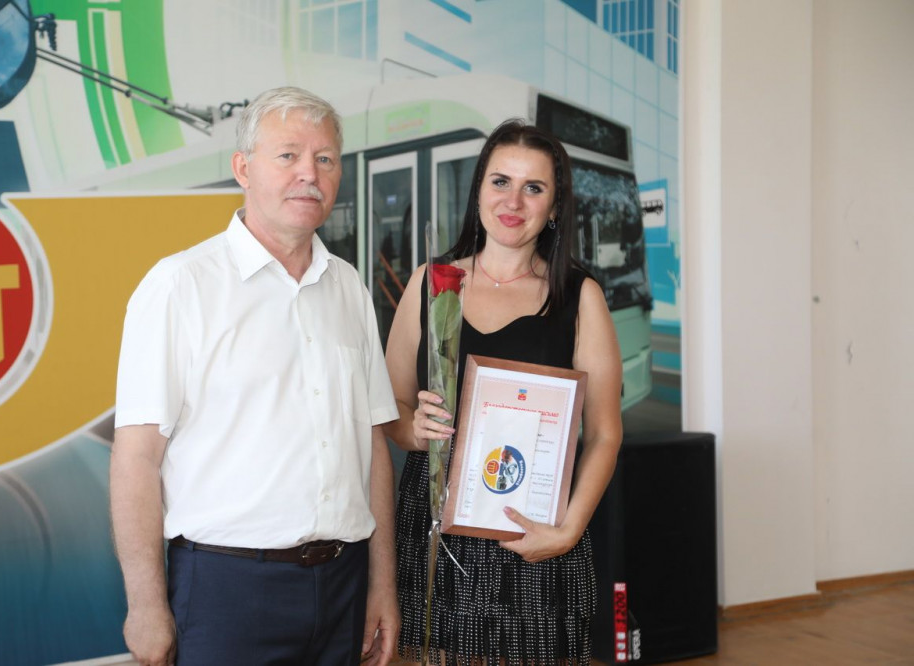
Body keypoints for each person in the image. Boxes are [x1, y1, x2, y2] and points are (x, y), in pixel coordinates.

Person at [110, 86, 400, 666]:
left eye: (325, 158)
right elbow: (136, 458)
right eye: (288, 155)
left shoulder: (348, 286)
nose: (309, 174)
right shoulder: (179, 286)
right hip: (228, 591)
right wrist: (144, 606)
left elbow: (370, 444)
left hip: (343, 586)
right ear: (243, 168)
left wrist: (382, 585)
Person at [384, 119, 623, 665]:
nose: (513, 201)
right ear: (479, 191)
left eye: (533, 187)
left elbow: (605, 435)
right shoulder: (430, 283)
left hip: (534, 534)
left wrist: (568, 531)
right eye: (500, 182)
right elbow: (392, 411)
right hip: (435, 529)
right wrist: (415, 431)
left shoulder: (578, 297)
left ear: (554, 206)